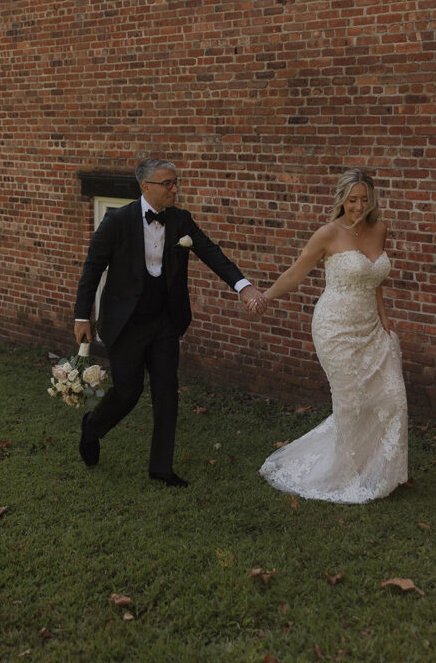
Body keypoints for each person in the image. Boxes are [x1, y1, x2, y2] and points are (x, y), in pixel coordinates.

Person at [74, 157, 266, 487]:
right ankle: (92, 426)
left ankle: (161, 468)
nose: (175, 189)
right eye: (168, 183)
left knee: (167, 393)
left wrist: (243, 286)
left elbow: (211, 253)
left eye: (176, 182)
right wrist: (82, 316)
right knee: (128, 392)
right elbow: (92, 268)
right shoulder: (117, 221)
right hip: (126, 323)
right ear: (145, 186)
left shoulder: (180, 220)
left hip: (165, 321)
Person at [259, 168, 408, 503]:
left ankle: (379, 470)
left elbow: (374, 278)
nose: (358, 206)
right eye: (352, 200)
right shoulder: (327, 234)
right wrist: (265, 296)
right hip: (335, 327)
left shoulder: (379, 229)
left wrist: (384, 315)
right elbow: (296, 273)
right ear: (342, 199)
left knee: (392, 398)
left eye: (364, 200)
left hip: (372, 327)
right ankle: (344, 473)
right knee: (351, 403)